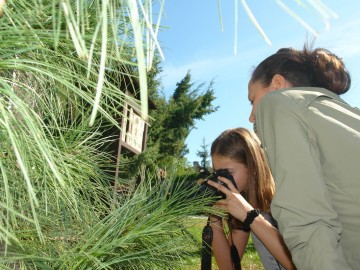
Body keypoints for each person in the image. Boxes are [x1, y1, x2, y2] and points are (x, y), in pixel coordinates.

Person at [243, 44, 360, 269]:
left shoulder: (277, 103)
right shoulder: (346, 114)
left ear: (277, 85)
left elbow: (307, 221)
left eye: (252, 100)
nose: (251, 116)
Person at [206, 128, 296, 270]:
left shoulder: (287, 197)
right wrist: (214, 219)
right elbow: (228, 266)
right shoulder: (245, 201)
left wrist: (250, 216)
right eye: (217, 173)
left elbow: (300, 264)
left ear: (252, 166)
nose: (221, 180)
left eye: (227, 173)